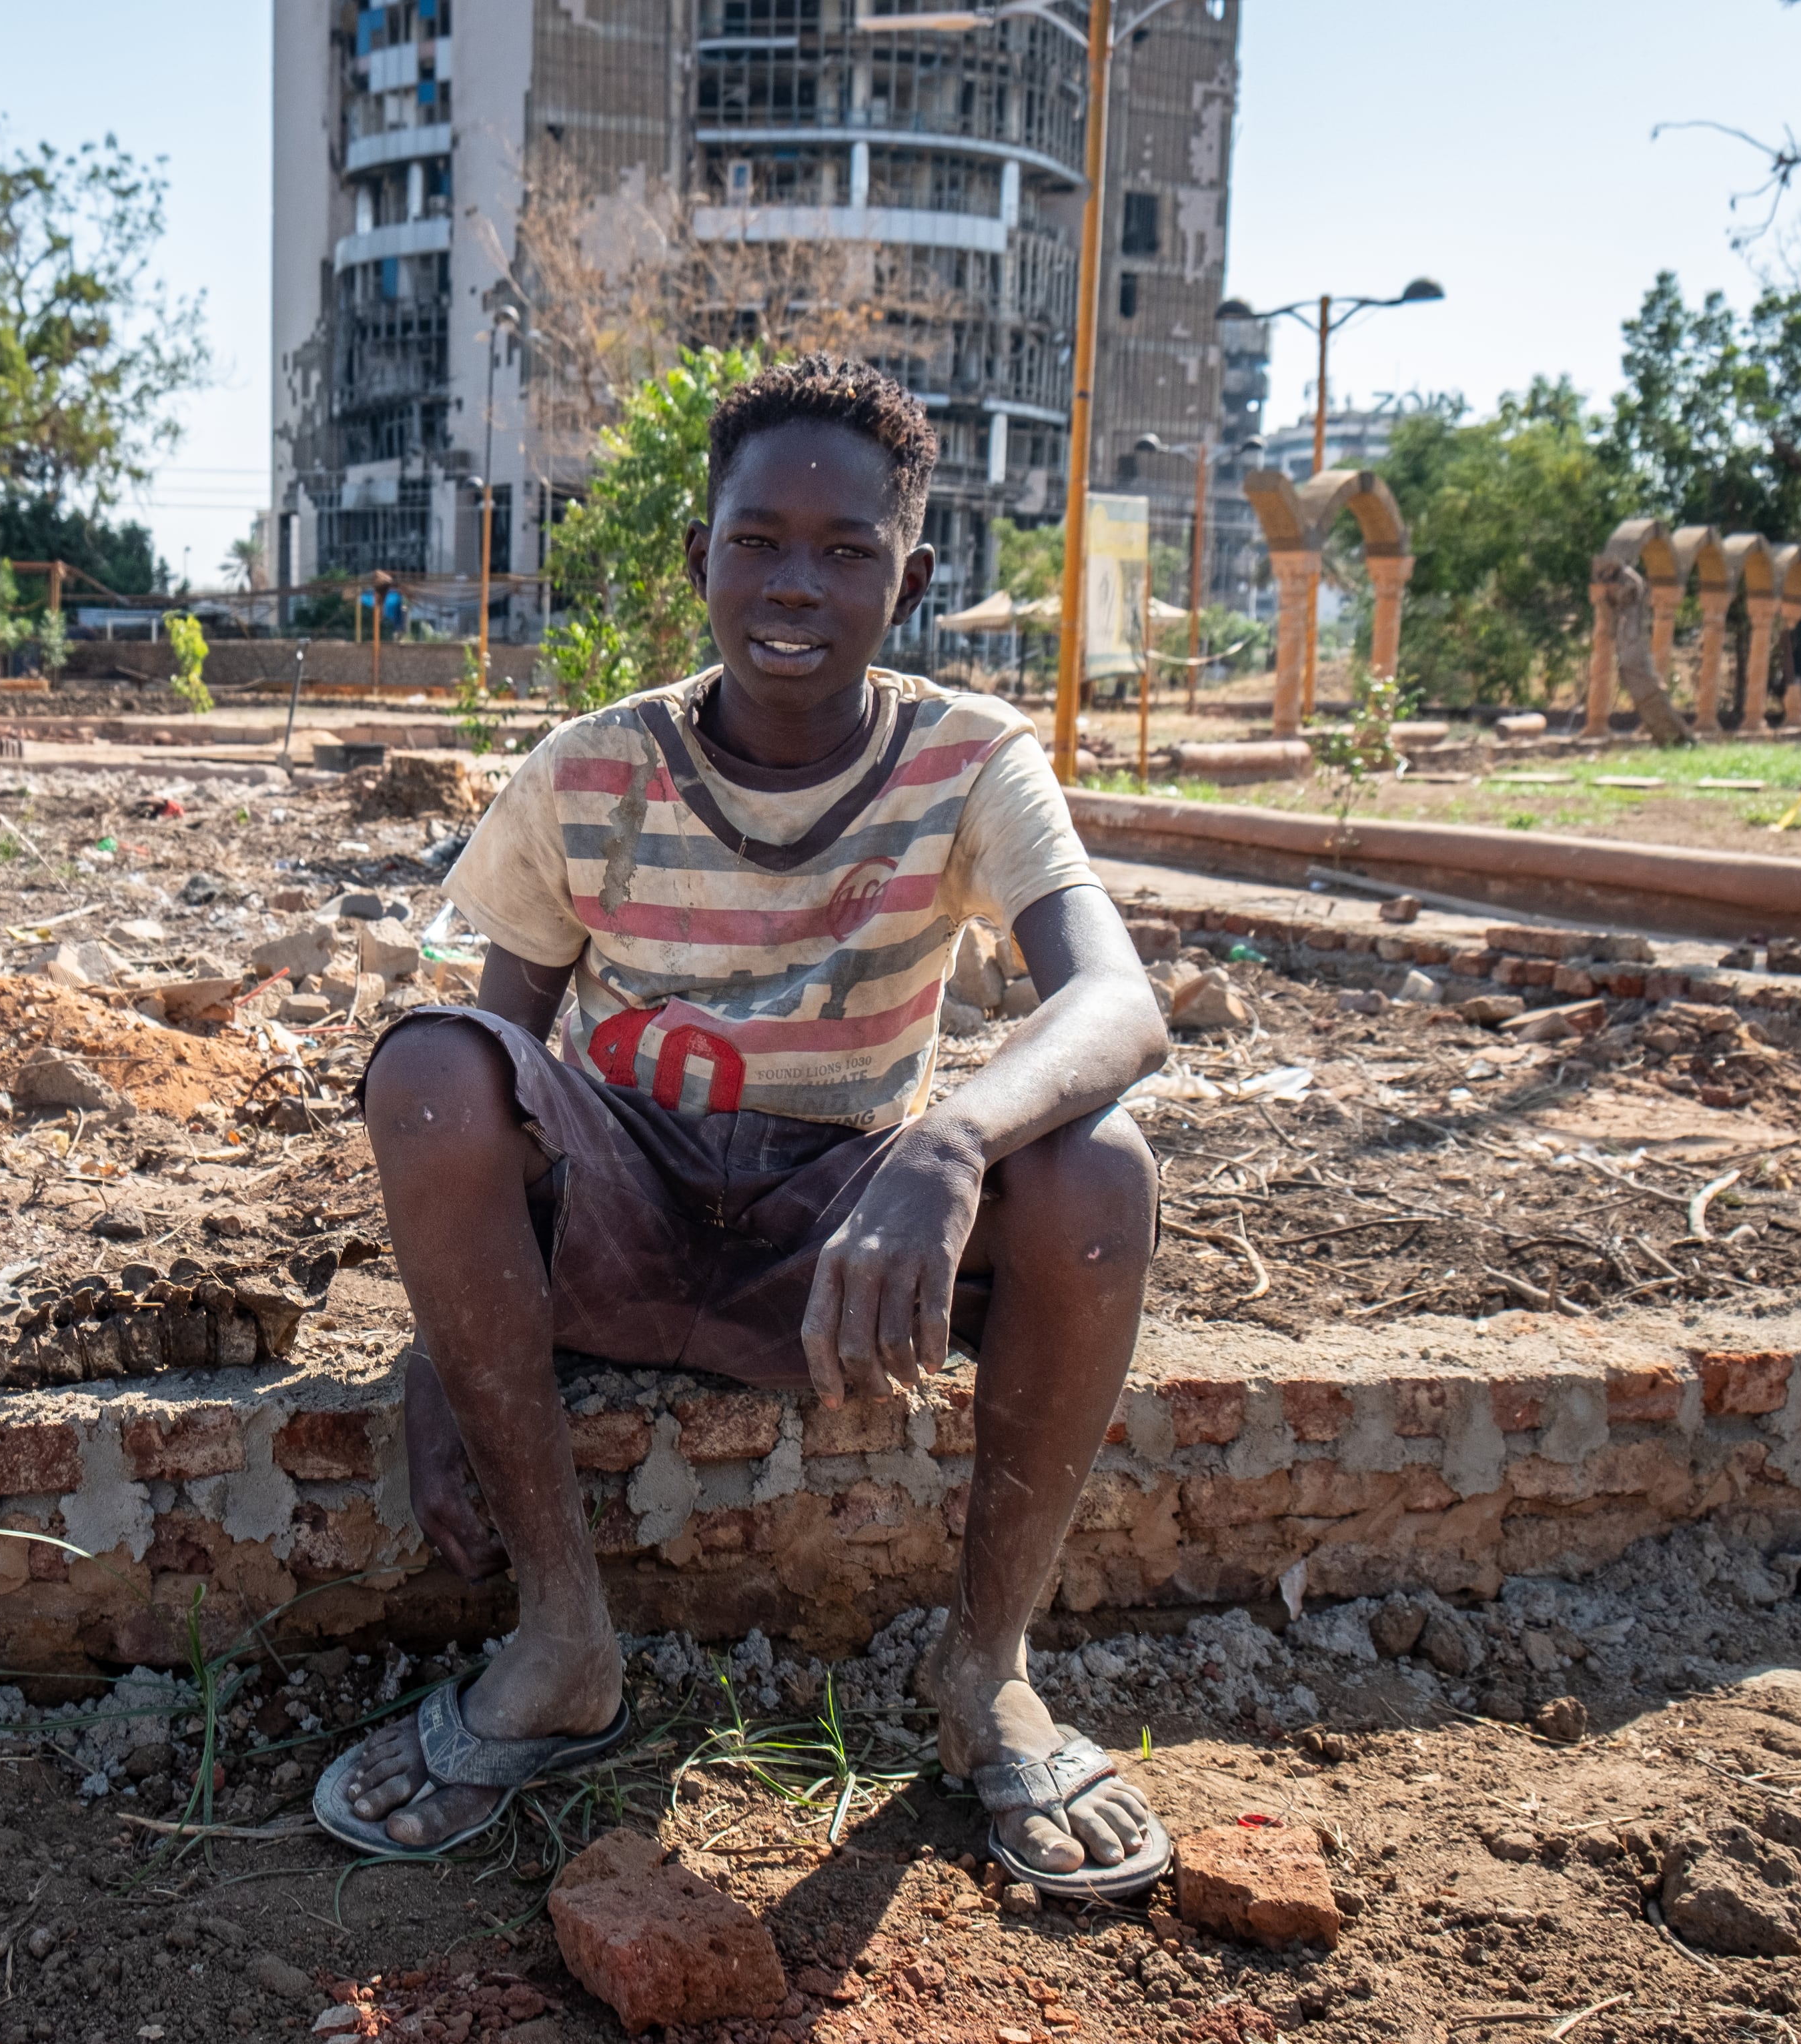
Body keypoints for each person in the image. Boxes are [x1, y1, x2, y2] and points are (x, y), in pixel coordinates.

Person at [314, 356, 1172, 1901]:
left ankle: (988, 1676)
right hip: (625, 1209)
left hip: (838, 1243)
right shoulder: (589, 769)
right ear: (696, 556)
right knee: (430, 1066)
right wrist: (441, 1349)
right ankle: (561, 1644)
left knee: (1095, 1161)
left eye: (846, 551)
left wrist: (948, 1144)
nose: (795, 582)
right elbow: (493, 1069)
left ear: (907, 582)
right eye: (756, 539)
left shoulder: (968, 758)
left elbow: (1116, 1000)